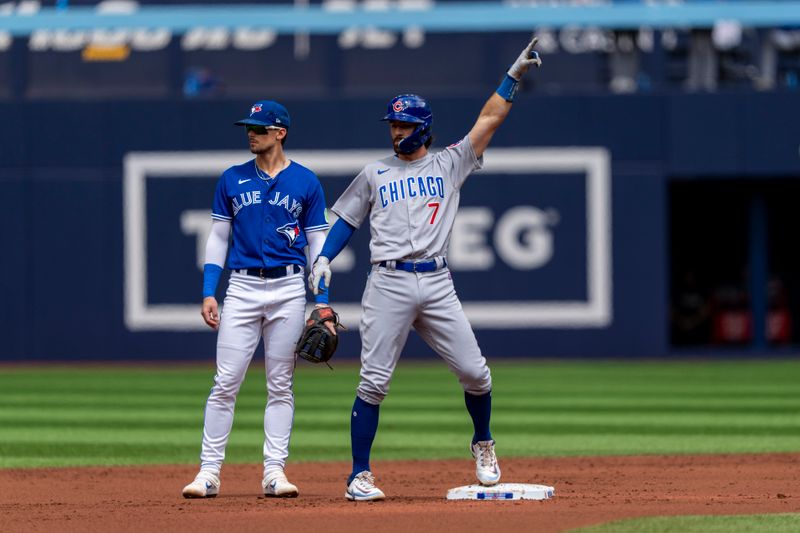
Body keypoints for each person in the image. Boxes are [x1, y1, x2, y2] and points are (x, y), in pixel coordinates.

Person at [308, 37, 542, 501]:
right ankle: (359, 475)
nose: (396, 132)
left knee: (477, 375)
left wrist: (512, 77)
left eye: (404, 124)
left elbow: (489, 119)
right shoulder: (375, 173)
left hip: (436, 282)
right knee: (373, 382)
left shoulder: (451, 163)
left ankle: (483, 442)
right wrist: (323, 258)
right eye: (393, 124)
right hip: (388, 282)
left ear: (422, 128)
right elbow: (347, 221)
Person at [182, 100, 330, 499]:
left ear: (280, 133)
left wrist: (324, 299)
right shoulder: (232, 179)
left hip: (288, 288)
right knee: (225, 381)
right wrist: (209, 291)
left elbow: (319, 244)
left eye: (260, 128)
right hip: (243, 287)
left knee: (280, 384)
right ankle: (208, 473)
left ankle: (274, 472)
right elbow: (217, 237)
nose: (251, 133)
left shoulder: (306, 181)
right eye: (248, 127)